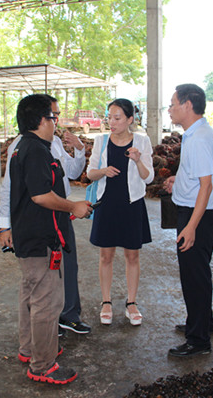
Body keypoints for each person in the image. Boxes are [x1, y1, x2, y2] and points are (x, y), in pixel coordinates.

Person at [9, 94, 92, 384]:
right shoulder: (36, 151)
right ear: (42, 120)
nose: (56, 121)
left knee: (30, 293)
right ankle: (42, 365)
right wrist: (74, 207)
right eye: (54, 116)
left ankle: (29, 348)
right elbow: (41, 195)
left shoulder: (27, 147)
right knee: (47, 301)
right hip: (40, 237)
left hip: (31, 235)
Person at [163, 84, 213, 357]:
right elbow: (201, 177)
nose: (170, 108)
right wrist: (180, 180)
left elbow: (206, 186)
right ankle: (202, 321)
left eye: (173, 103)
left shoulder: (198, 138)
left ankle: (198, 341)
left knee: (194, 278)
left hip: (197, 217)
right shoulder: (199, 134)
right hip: (204, 214)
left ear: (188, 105)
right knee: (200, 273)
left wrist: (190, 227)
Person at [86, 98, 154, 326]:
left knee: (132, 255)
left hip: (132, 204)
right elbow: (90, 174)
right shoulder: (101, 141)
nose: (111, 122)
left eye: (117, 118)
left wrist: (137, 161)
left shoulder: (142, 141)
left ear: (130, 120)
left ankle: (131, 303)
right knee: (106, 255)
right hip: (107, 203)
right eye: (109, 118)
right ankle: (106, 302)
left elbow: (149, 177)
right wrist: (103, 170)